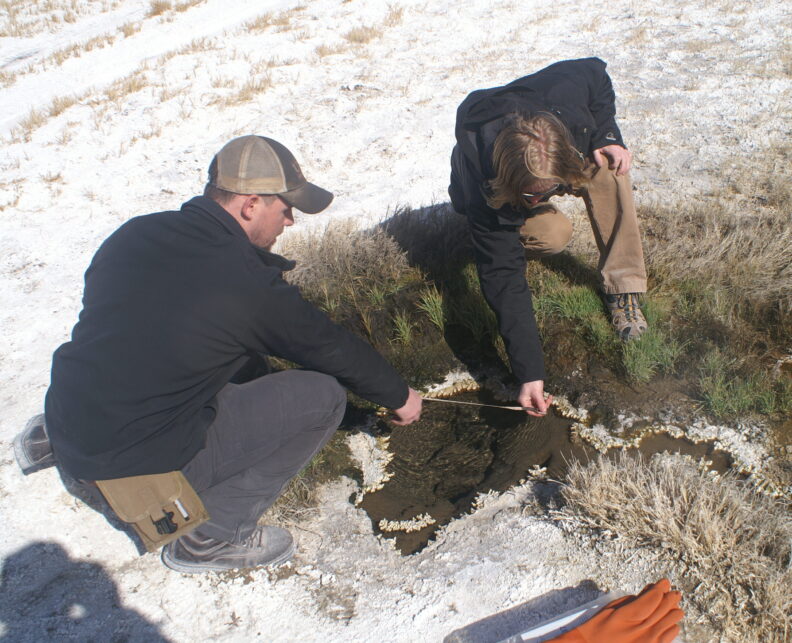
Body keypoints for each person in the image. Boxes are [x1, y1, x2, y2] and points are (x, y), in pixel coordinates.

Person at [18, 135, 422, 574]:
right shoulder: (244, 284)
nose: (290, 221)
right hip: (132, 479)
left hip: (65, 425)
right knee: (323, 397)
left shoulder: (137, 233)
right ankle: (211, 539)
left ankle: (47, 442)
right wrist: (398, 395)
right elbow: (329, 346)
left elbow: (121, 335)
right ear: (250, 204)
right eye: (286, 208)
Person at [449, 58, 648, 417]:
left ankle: (624, 289)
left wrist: (606, 136)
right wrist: (530, 374)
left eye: (551, 190)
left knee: (610, 169)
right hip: (489, 193)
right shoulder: (483, 179)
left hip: (557, 149)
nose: (543, 198)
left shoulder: (567, 97)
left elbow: (596, 74)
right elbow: (503, 278)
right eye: (533, 196)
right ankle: (504, 222)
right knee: (554, 234)